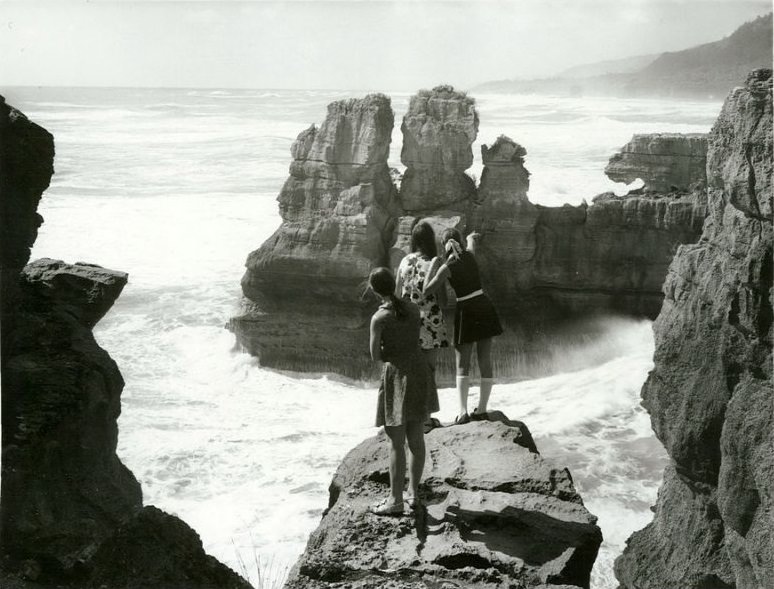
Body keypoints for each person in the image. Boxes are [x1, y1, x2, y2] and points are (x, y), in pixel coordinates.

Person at [368, 267, 439, 515]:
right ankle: (414, 494)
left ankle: (394, 500)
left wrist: (392, 353)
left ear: (375, 290)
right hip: (418, 371)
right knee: (416, 440)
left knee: (396, 444)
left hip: (397, 375)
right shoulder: (411, 308)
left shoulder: (379, 318)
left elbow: (375, 354)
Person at [423, 228, 503, 424]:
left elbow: (426, 290)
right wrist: (470, 237)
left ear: (444, 246)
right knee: (485, 360)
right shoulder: (470, 255)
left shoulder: (446, 267)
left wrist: (434, 265)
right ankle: (482, 410)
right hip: (483, 305)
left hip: (465, 310)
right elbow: (471, 243)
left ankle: (463, 412)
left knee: (462, 364)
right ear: (458, 242)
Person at [395, 221, 449, 430]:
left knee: (411, 370)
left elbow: (398, 295)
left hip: (408, 322)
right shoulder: (434, 263)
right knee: (428, 370)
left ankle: (410, 416)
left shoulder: (404, 261)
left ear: (414, 240)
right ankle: (425, 419)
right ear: (430, 241)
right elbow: (443, 301)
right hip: (431, 323)